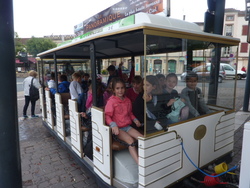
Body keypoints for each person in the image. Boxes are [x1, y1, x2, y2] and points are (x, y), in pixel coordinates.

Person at [105, 78, 143, 164]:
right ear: (114, 90)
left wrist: (135, 119)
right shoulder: (111, 102)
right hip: (118, 129)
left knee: (141, 137)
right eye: (117, 88)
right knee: (131, 141)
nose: (120, 90)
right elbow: (107, 116)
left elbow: (130, 113)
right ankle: (140, 164)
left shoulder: (127, 100)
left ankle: (145, 157)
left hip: (127, 127)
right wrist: (113, 125)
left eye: (122, 88)